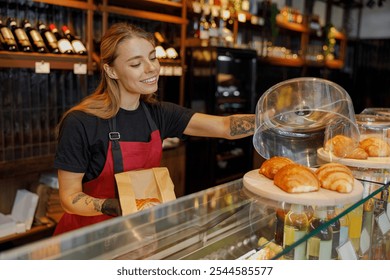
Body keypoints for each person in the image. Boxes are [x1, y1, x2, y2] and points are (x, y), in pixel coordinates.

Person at [53, 23, 255, 235]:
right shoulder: (81, 122)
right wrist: (111, 205)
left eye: (152, 57)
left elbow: (224, 126)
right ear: (111, 70)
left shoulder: (158, 114)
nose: (151, 68)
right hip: (86, 240)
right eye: (136, 64)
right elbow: (69, 198)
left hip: (134, 235)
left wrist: (271, 119)